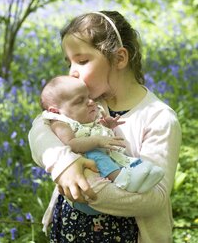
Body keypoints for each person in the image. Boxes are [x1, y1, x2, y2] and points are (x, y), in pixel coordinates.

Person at [29, 11, 181, 243]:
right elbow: (39, 130)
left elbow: (155, 198)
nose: (72, 72)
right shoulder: (85, 102)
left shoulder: (158, 118)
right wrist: (64, 166)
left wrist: (82, 184)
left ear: (119, 58)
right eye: (68, 62)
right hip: (70, 228)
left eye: (81, 61)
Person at [40, 75, 164, 216]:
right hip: (87, 173)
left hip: (106, 161)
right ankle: (124, 181)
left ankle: (142, 175)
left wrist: (108, 125)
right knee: (96, 155)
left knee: (123, 158)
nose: (91, 102)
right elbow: (72, 144)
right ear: (55, 111)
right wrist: (97, 141)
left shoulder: (88, 114)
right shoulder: (61, 123)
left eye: (89, 97)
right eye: (80, 101)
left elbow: (96, 127)